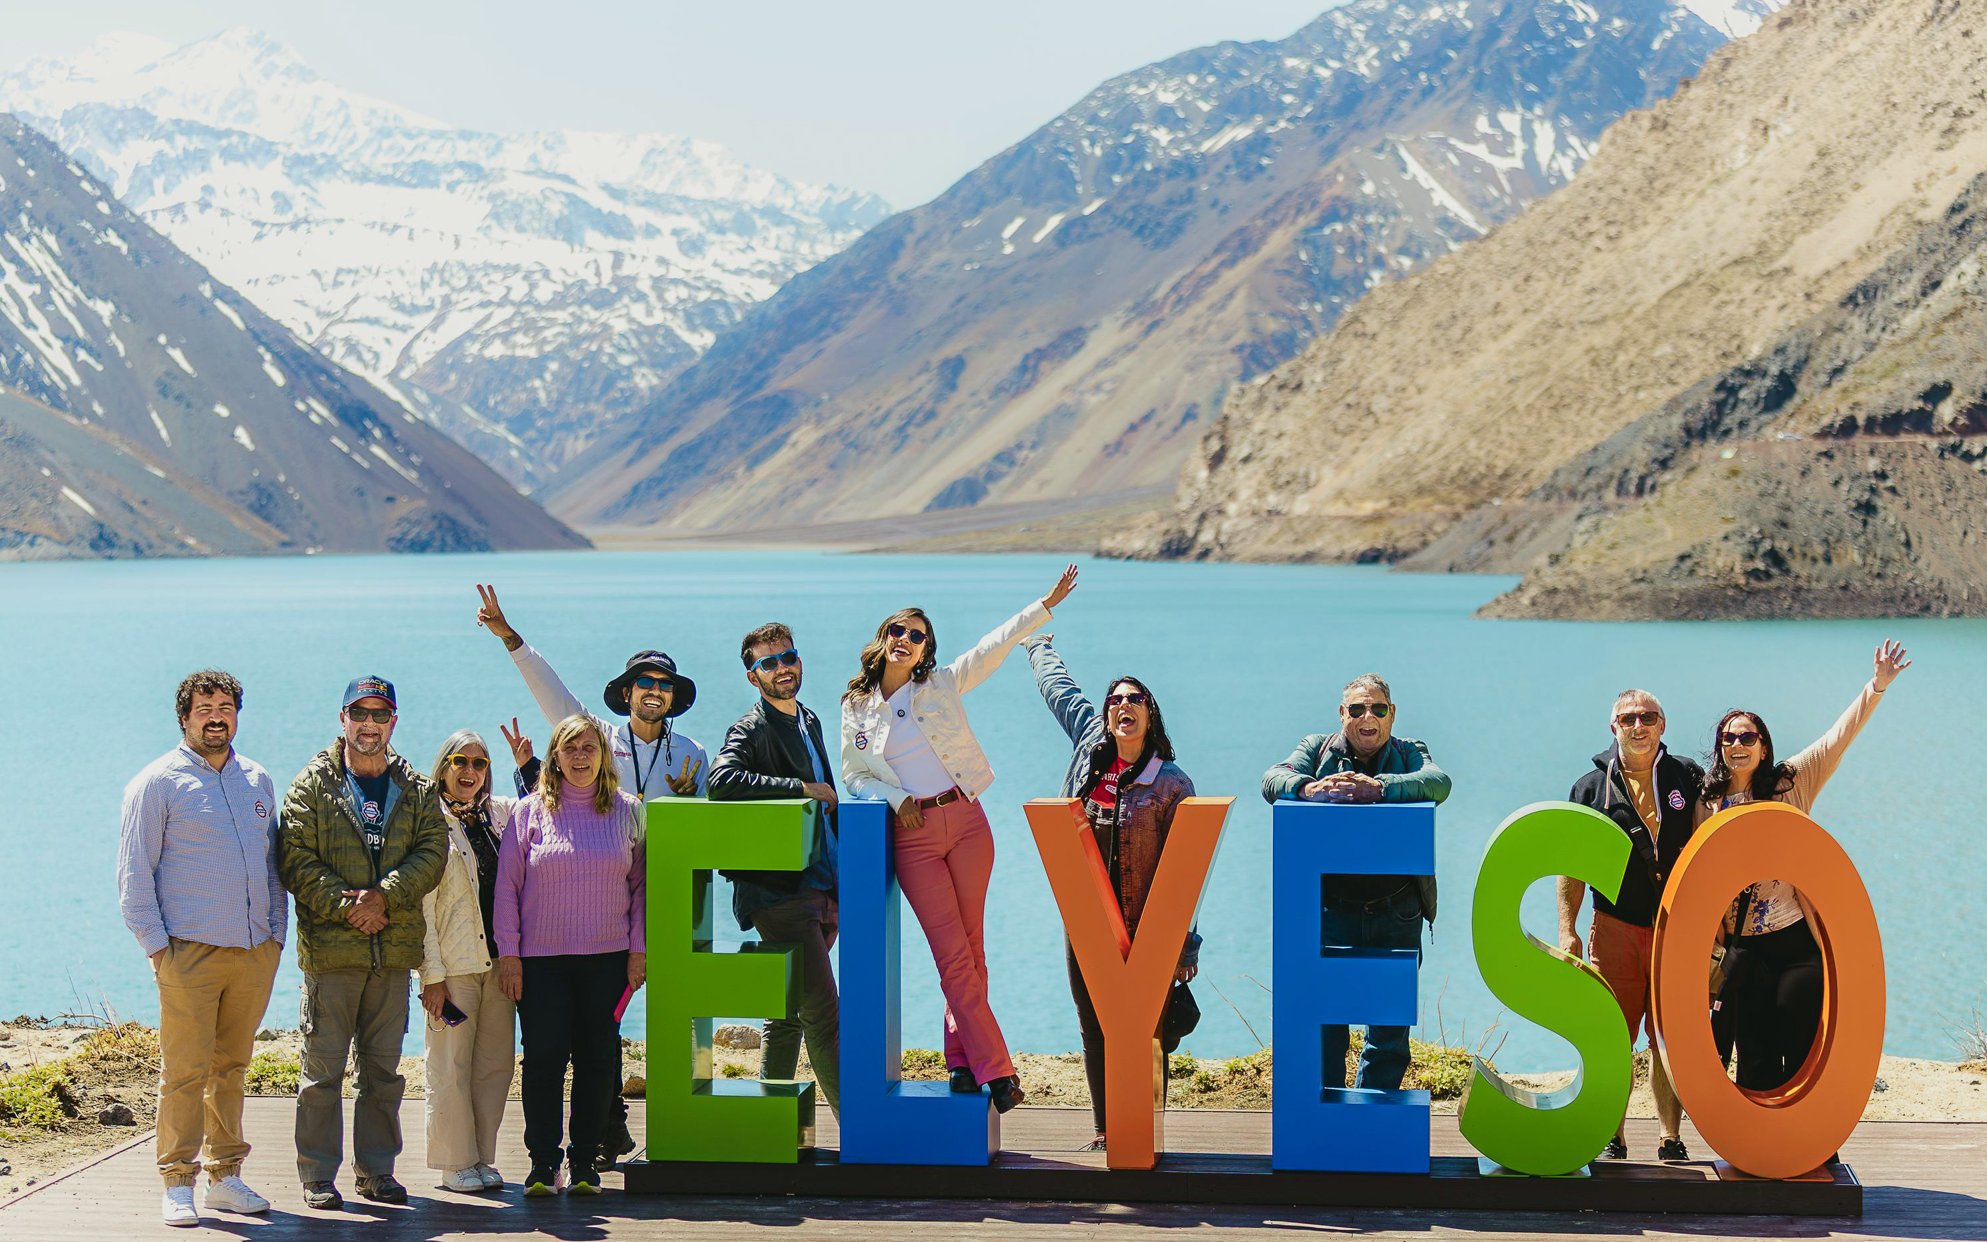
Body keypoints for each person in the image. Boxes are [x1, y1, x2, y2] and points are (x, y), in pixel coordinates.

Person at [840, 565, 1079, 1114]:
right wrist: (895, 800)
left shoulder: (941, 684)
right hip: (915, 834)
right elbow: (854, 775)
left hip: (968, 823)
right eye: (898, 631)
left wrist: (1043, 606)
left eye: (917, 636)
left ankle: (962, 1061)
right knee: (952, 957)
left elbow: (991, 648)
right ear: (884, 639)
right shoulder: (855, 706)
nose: (906, 640)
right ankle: (998, 1070)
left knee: (972, 952)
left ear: (926, 651)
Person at [473, 583, 701, 1160]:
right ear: (626, 694)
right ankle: (609, 1126)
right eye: (644, 684)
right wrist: (509, 637)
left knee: (626, 1027)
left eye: (664, 686)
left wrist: (684, 803)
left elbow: (706, 824)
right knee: (600, 1030)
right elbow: (551, 692)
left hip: (666, 902)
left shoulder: (692, 754)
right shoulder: (598, 738)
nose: (654, 692)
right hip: (595, 913)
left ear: (673, 698)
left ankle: (640, 1125)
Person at [1700, 640, 1910, 1096]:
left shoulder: (1790, 782)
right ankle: (1757, 1154)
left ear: (1763, 746)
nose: (1738, 744)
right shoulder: (1707, 802)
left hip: (1794, 942)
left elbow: (1838, 738)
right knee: (1753, 1057)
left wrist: (1876, 687)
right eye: (1729, 738)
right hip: (1743, 951)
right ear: (1720, 748)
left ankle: (1810, 1151)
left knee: (1798, 1048)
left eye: (1748, 737)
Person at [117, 670, 286, 1227]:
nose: (217, 715)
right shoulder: (157, 783)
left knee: (232, 1066)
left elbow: (273, 866)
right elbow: (134, 878)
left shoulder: (257, 779)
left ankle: (226, 1177)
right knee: (184, 1072)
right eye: (205, 707)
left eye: (226, 706)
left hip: (253, 951)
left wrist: (275, 935)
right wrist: (158, 952)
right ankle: (177, 1180)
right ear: (184, 717)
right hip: (186, 953)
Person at [277, 676, 447, 1210]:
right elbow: (295, 857)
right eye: (359, 713)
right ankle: (317, 1175)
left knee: (383, 1075)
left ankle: (376, 1172)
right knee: (322, 1074)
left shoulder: (415, 788)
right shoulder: (312, 785)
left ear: (393, 721)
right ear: (342, 718)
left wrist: (384, 897)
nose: (368, 723)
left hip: (391, 955)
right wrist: (350, 904)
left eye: (380, 714)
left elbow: (432, 851)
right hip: (334, 955)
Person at [1022, 633, 1197, 1153]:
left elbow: (1185, 870)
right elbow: (1059, 690)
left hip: (1148, 925)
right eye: (1115, 700)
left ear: (1151, 715)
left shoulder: (1172, 784)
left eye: (1134, 699)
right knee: (1092, 1024)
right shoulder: (1091, 759)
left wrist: (1184, 945)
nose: (1124, 706)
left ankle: (1139, 1122)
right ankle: (1105, 1130)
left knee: (1149, 1027)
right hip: (1089, 920)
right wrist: (1037, 646)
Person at [1260, 674, 1450, 1094]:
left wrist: (1378, 788)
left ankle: (1373, 1120)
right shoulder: (1316, 749)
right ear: (1342, 714)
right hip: (1333, 910)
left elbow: (1439, 782)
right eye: (1358, 709)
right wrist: (1307, 787)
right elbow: (1272, 778)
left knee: (1389, 1027)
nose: (1369, 717)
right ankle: (1326, 1118)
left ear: (1392, 715)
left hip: (1397, 910)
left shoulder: (1410, 752)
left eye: (1378, 709)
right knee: (1327, 1020)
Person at [495, 713, 647, 1197]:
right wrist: (509, 955)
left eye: (589, 748)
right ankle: (543, 1165)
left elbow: (642, 888)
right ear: (555, 757)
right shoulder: (529, 812)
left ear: (604, 756)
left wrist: (639, 950)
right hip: (540, 964)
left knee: (598, 1062)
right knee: (542, 1061)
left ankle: (584, 1164)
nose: (580, 757)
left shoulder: (629, 810)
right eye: (571, 748)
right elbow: (507, 891)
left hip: (608, 960)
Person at [1557, 689, 1705, 1162]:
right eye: (1628, 718)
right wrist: (1568, 929)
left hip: (1676, 930)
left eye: (1647, 717)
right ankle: (1611, 1134)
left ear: (1663, 724)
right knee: (1614, 1035)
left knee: (1668, 1039)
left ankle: (1671, 1137)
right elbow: (1570, 865)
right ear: (1613, 727)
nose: (1637, 725)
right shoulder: (1589, 788)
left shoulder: (1690, 777)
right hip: (1615, 926)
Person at [707, 622, 842, 1115]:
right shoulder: (750, 727)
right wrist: (800, 789)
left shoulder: (810, 719)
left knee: (787, 1011)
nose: (782, 668)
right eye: (769, 663)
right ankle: (861, 1137)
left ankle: (768, 1115)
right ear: (752, 676)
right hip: (778, 893)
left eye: (788, 657)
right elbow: (721, 781)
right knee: (824, 1014)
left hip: (823, 885)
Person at [419, 730, 517, 1194]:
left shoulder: (498, 815)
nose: (469, 771)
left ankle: (481, 1156)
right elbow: (421, 907)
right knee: (450, 1065)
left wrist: (529, 764)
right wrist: (431, 977)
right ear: (443, 767)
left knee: (494, 1065)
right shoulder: (428, 822)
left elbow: (550, 807)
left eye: (479, 764)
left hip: (499, 965)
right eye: (460, 761)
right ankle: (454, 1162)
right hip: (454, 967)